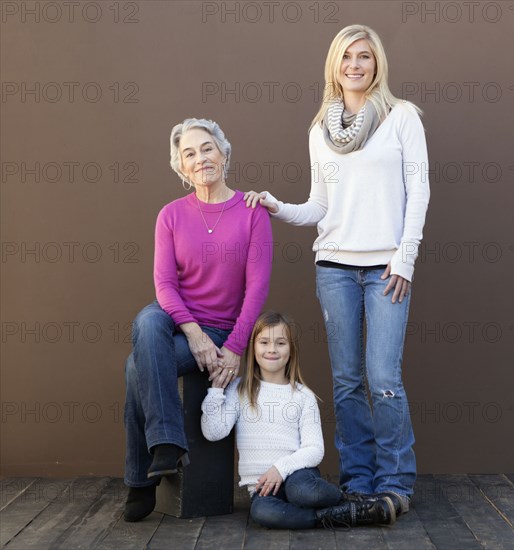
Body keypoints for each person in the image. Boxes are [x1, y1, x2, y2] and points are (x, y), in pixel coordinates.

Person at [244, 24, 430, 517]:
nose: (355, 64)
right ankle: (359, 481)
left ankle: (395, 484)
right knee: (347, 381)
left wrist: (405, 256)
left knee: (383, 377)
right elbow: (319, 206)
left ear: (377, 64)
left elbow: (419, 192)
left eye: (364, 56)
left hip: (387, 267)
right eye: (346, 56)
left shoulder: (402, 117)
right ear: (334, 64)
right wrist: (277, 205)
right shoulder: (319, 130)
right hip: (334, 267)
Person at [123, 118, 273, 522]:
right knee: (149, 321)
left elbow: (257, 289)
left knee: (135, 364)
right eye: (189, 153)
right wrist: (192, 334)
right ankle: (167, 445)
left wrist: (234, 347)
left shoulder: (251, 212)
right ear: (182, 168)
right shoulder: (170, 215)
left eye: (207, 148)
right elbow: (164, 284)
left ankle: (142, 477)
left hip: (220, 326)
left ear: (223, 153)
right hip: (175, 317)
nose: (200, 158)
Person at [201, 311, 397, 529]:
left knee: (303, 493)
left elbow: (314, 449)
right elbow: (214, 431)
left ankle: (349, 501)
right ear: (253, 348)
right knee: (262, 512)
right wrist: (216, 391)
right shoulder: (240, 389)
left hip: (297, 475)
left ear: (291, 350)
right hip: (263, 488)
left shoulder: (303, 396)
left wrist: (280, 468)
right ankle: (343, 515)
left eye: (280, 343)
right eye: (264, 342)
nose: (272, 349)